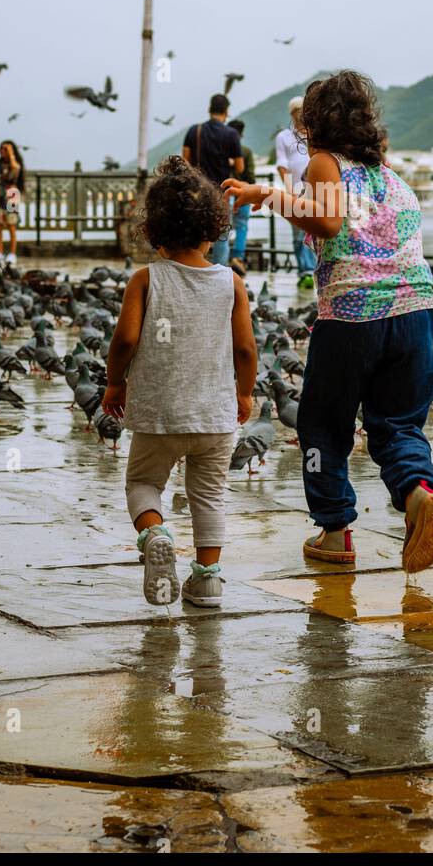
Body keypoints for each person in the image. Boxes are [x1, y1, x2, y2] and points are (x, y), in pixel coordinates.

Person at [222, 70, 433, 574]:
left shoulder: (326, 163)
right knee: (397, 423)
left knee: (323, 424)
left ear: (315, 121)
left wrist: (266, 196)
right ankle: (420, 493)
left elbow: (327, 221)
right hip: (415, 313)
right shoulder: (386, 173)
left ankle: (335, 533)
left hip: (353, 314)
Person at [101, 157, 257, 610]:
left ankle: (154, 535)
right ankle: (207, 581)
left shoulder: (145, 280)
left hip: (158, 413)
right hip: (214, 415)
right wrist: (244, 392)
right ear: (214, 229)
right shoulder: (232, 282)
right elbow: (246, 350)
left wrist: (115, 384)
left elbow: (126, 339)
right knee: (209, 495)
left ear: (151, 231)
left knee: (143, 484)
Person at [182, 94, 244, 265]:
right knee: (222, 235)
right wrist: (229, 161)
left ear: (210, 109)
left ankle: (195, 267)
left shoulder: (195, 130)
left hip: (197, 192)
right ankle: (219, 273)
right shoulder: (231, 134)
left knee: (197, 233)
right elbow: (240, 167)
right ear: (225, 111)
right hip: (222, 192)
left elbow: (185, 159)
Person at [275, 96, 317, 289]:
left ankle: (316, 269)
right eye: (296, 109)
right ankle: (305, 271)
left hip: (317, 188)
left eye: (303, 108)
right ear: (291, 114)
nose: (300, 113)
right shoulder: (284, 137)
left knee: (317, 229)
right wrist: (289, 190)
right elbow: (282, 165)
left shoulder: (315, 133)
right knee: (299, 233)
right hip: (296, 190)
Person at [227, 118, 255, 272]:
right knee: (242, 226)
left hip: (225, 192)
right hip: (243, 192)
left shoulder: (222, 151)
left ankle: (223, 259)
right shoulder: (246, 152)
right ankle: (238, 257)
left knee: (223, 227)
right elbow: (251, 176)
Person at [0, 140, 25, 266]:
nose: (3, 151)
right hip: (0, 195)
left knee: (11, 225)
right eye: (2, 149)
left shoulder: (15, 162)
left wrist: (11, 154)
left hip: (12, 195)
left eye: (6, 149)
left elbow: (16, 169)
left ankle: (12, 253)